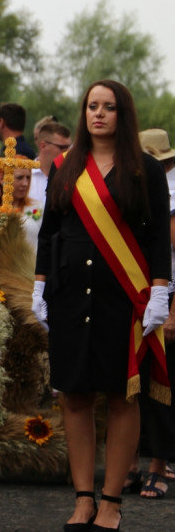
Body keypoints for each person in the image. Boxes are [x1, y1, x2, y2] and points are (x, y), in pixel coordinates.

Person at [32, 80, 171, 531]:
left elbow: (156, 239)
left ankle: (111, 502)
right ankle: (83, 499)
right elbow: (51, 230)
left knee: (122, 395)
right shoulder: (67, 167)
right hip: (71, 294)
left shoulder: (145, 171)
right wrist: (39, 286)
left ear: (122, 114)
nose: (99, 114)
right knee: (74, 394)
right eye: (92, 106)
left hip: (125, 298)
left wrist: (161, 290)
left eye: (109, 107)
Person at [125, 128, 175, 501]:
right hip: (128, 295)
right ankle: (128, 463)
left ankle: (159, 464)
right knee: (126, 384)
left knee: (159, 385)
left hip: (163, 296)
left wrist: (172, 310)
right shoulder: (126, 191)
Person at [0, 156, 42, 252]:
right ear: (2, 178)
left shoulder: (37, 208)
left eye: (28, 178)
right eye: (20, 178)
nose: (25, 183)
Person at [30, 120, 72, 206]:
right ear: (43, 146)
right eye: (62, 147)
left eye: (69, 147)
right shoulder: (25, 176)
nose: (67, 152)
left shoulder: (72, 177)